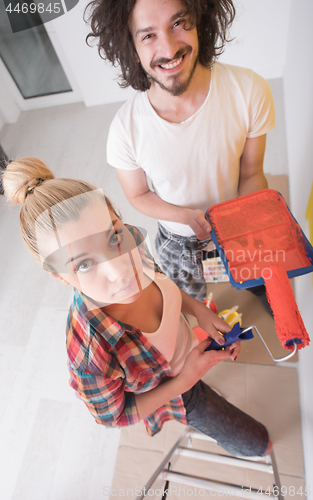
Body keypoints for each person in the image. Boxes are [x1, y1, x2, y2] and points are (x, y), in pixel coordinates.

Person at [2, 157, 272, 457]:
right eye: (84, 264)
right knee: (259, 443)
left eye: (113, 236)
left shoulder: (133, 247)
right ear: (58, 277)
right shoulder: (90, 355)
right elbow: (114, 415)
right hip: (177, 390)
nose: (121, 271)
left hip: (188, 349)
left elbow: (166, 285)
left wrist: (199, 311)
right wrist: (186, 379)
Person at [85, 0, 276, 303]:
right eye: (148, 35)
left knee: (250, 276)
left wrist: (246, 225)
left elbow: (252, 172)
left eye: (178, 23)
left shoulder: (249, 89)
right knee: (195, 299)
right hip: (179, 244)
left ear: (200, 21)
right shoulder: (125, 129)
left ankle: (255, 285)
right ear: (131, 48)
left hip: (237, 225)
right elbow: (138, 194)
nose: (170, 48)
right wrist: (184, 216)